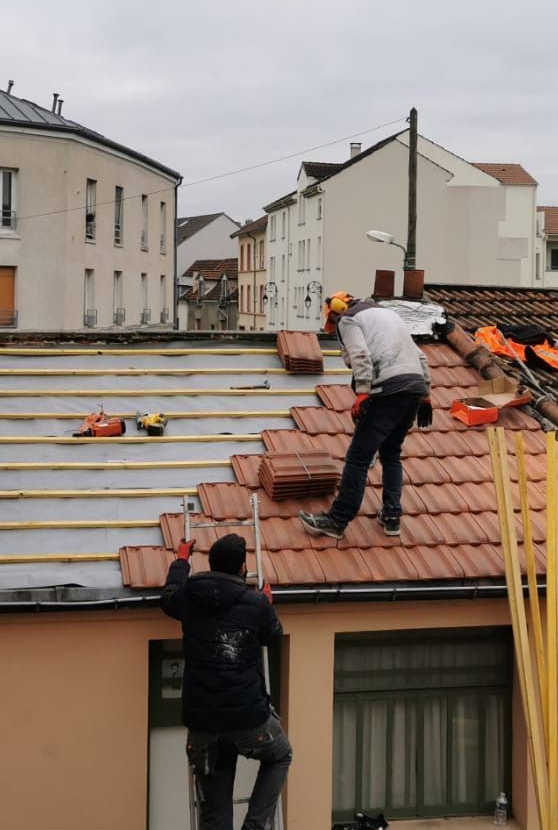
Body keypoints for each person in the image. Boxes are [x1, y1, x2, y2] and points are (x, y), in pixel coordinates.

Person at [161, 532, 292, 830]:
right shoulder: (255, 604)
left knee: (215, 817)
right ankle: (255, 826)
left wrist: (181, 559)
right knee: (281, 755)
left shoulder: (190, 597)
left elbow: (168, 598)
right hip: (249, 722)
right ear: (242, 568)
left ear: (211, 563)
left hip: (204, 729)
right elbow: (272, 636)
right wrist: (266, 606)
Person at [301, 292, 432, 539]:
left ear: (338, 311)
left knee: (358, 458)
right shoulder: (389, 315)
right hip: (413, 389)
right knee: (391, 454)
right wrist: (425, 393)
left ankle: (337, 521)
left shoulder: (348, 319)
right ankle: (392, 516)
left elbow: (360, 355)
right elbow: (420, 356)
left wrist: (362, 391)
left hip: (389, 390)